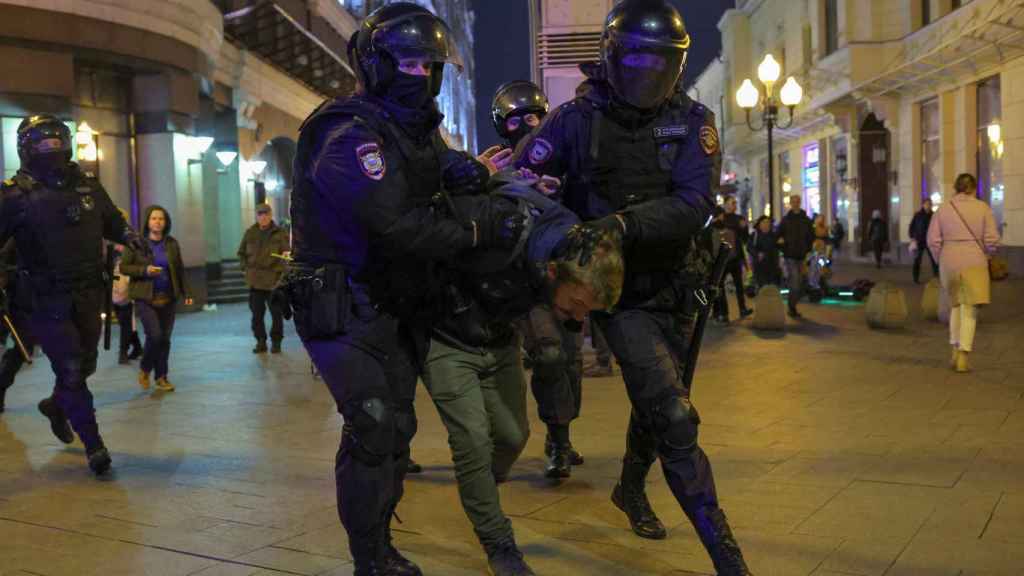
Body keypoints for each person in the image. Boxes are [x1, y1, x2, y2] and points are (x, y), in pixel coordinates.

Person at [280, 4, 528, 575]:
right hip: (342, 304)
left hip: (399, 302)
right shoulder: (346, 132)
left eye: (430, 65)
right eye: (410, 63)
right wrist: (476, 229)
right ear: (376, 64)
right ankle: (369, 559)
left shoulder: (416, 129)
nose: (422, 75)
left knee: (397, 430)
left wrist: (465, 172)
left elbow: (435, 172)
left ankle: (380, 543)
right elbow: (395, 224)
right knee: (372, 422)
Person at [514, 1, 752, 573]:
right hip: (621, 294)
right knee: (673, 413)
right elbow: (523, 179)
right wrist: (545, 195)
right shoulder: (576, 118)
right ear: (613, 58)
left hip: (682, 284)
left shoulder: (693, 121)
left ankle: (629, 488)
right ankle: (726, 555)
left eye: (660, 63)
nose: (648, 74)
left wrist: (623, 223)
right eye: (637, 60)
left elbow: (695, 203)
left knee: (658, 400)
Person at [423, 172, 624, 575]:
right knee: (473, 442)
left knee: (513, 437)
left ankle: (479, 488)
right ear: (553, 273)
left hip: (497, 342)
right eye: (576, 305)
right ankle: (499, 543)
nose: (579, 320)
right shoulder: (499, 230)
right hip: (445, 338)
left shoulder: (566, 242)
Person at [0, 114, 145, 475]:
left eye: (56, 142)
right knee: (71, 369)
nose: (52, 149)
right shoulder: (15, 195)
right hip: (45, 299)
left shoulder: (88, 187)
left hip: (87, 293)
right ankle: (94, 445)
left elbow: (112, 219)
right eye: (43, 144)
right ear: (27, 149)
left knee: (87, 363)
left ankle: (55, 405)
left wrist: (129, 236)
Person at [927, 173, 1000, 373]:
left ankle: (954, 348)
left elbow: (932, 240)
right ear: (973, 188)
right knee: (970, 309)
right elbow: (992, 239)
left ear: (956, 188)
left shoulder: (943, 209)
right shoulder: (983, 208)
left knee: (955, 306)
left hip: (949, 261)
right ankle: (963, 355)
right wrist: (988, 254)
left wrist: (939, 259)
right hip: (974, 261)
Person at [120, 205, 193, 393]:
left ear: (166, 222)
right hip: (145, 297)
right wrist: (144, 270)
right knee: (155, 335)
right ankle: (145, 368)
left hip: (168, 297)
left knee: (165, 339)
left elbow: (179, 269)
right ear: (147, 221)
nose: (157, 222)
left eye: (161, 219)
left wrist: (188, 294)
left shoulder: (171, 244)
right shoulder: (136, 243)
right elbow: (124, 268)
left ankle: (161, 377)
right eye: (154, 218)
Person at [238, 203, 290, 354]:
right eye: (260, 214)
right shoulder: (250, 233)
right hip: (255, 283)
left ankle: (276, 342)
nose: (263, 217)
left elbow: (286, 256)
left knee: (276, 314)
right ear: (256, 215)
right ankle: (261, 341)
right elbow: (241, 253)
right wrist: (244, 269)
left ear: (271, 214)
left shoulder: (280, 234)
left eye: (266, 213)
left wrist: (282, 276)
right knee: (256, 316)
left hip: (274, 282)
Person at [0, 238, 36, 414]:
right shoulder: (16, 235)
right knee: (23, 347)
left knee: (25, 348)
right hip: (14, 304)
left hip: (34, 301)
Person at [712, 195, 752, 323]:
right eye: (732, 203)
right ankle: (723, 313)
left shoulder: (739, 218)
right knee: (720, 285)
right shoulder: (721, 217)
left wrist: (744, 227)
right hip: (723, 257)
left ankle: (742, 308)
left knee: (739, 284)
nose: (734, 205)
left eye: (735, 203)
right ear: (726, 204)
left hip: (735, 256)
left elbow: (745, 238)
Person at [778, 194, 813, 318]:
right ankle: (791, 307)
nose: (795, 203)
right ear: (790, 203)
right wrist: (784, 248)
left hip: (802, 256)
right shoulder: (786, 220)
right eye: (793, 201)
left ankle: (792, 306)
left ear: (800, 202)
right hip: (790, 256)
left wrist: (808, 249)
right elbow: (778, 235)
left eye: (797, 201)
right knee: (795, 282)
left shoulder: (806, 219)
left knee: (803, 283)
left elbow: (810, 236)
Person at [112, 241, 143, 365]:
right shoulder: (111, 253)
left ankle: (123, 353)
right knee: (128, 325)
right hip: (116, 295)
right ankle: (137, 348)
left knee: (126, 325)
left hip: (126, 296)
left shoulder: (129, 251)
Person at [909, 198, 939, 283]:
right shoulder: (918, 215)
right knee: (917, 260)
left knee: (934, 259)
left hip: (930, 240)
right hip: (919, 241)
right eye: (927, 204)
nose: (929, 206)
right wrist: (912, 237)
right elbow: (911, 226)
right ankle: (915, 278)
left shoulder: (934, 215)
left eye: (930, 204)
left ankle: (936, 277)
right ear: (923, 205)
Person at [751, 216, 780, 289]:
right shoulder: (755, 235)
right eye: (764, 222)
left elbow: (778, 247)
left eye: (768, 223)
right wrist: (757, 254)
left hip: (772, 266)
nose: (766, 224)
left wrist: (781, 243)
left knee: (772, 287)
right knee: (762, 287)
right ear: (759, 224)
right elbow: (750, 247)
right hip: (759, 266)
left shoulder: (774, 235)